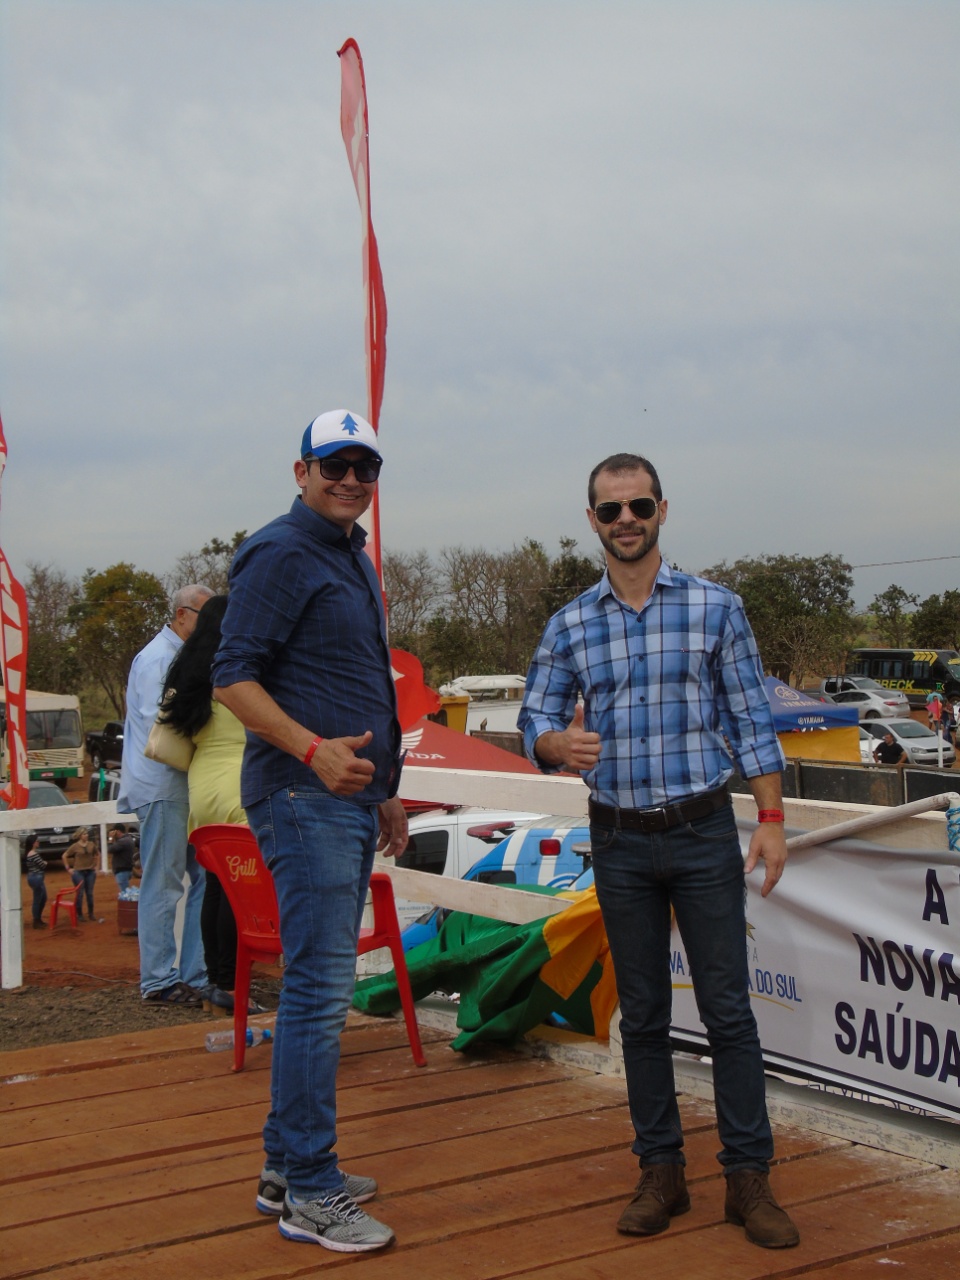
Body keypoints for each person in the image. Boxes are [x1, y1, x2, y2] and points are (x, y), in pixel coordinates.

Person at [518, 452, 800, 1251]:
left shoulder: (717, 609)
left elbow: (751, 721)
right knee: (640, 1015)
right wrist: (553, 742)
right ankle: (661, 1172)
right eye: (610, 511)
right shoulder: (571, 622)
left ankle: (749, 1180)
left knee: (728, 1011)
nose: (626, 520)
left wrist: (771, 818)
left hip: (706, 832)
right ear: (593, 522)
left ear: (662, 510)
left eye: (638, 505)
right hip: (617, 839)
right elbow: (534, 715)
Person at [212, 409, 406, 1255]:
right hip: (301, 795)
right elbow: (232, 677)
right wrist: (314, 752)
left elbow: (352, 681)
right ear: (301, 472)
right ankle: (314, 1193)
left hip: (345, 799)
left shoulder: (349, 555)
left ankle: (284, 1169)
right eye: (334, 465)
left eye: (364, 466)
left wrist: (384, 789)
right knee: (321, 993)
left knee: (318, 987)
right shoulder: (281, 550)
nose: (350, 479)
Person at [118, 582, 214, 1006]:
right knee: (164, 880)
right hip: (162, 785)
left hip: (180, 785)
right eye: (204, 617)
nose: (211, 626)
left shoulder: (178, 656)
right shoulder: (158, 658)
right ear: (181, 615)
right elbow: (163, 721)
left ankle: (195, 971)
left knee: (205, 877)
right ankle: (158, 980)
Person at [160, 594, 253, 1015]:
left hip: (203, 793)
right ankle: (234, 987)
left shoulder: (191, 673)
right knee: (241, 895)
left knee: (216, 887)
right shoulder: (238, 671)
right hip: (239, 788)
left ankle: (217, 985)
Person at [62, 827, 98, 922]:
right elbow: (64, 856)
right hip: (79, 872)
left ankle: (90, 913)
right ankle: (80, 914)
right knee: (80, 893)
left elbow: (97, 854)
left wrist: (96, 867)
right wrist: (68, 868)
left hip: (90, 871)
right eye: (84, 834)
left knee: (89, 893)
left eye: (86, 834)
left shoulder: (91, 844)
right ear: (80, 835)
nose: (86, 835)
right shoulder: (75, 846)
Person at [25, 834, 47, 928]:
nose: (38, 842)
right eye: (37, 841)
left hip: (34, 877)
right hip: (36, 878)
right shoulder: (34, 854)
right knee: (38, 899)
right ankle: (36, 920)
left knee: (42, 898)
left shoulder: (30, 853)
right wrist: (45, 863)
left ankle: (38, 919)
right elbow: (42, 865)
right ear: (33, 843)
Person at [108, 825, 137, 894]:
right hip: (127, 869)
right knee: (125, 891)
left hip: (122, 870)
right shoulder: (128, 839)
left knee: (125, 894)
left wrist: (110, 838)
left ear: (118, 831)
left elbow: (110, 849)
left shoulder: (122, 841)